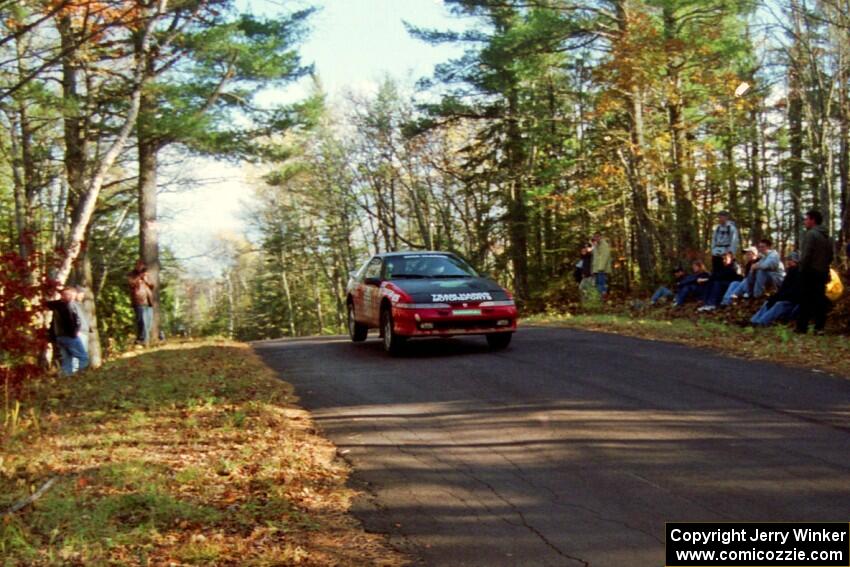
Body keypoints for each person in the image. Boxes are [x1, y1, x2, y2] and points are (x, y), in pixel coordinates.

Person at [795, 209, 834, 334]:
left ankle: (802, 327)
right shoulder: (827, 236)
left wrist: (801, 269)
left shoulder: (811, 234)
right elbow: (830, 256)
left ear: (813, 220)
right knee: (819, 300)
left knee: (805, 300)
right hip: (822, 272)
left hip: (810, 272)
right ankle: (819, 328)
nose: (805, 222)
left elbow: (806, 255)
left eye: (806, 219)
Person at [46, 286, 90, 376]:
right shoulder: (66, 306)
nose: (72, 297)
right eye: (69, 295)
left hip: (60, 336)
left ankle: (66, 377)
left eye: (73, 295)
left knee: (67, 358)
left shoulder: (59, 306)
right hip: (68, 336)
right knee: (83, 357)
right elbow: (70, 321)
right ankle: (79, 376)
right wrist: (74, 333)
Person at [751, 252, 801, 327]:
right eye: (788, 260)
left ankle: (762, 323)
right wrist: (775, 297)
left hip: (792, 302)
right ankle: (753, 321)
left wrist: (780, 298)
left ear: (796, 261)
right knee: (768, 302)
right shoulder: (790, 272)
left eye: (790, 260)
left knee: (779, 305)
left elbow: (795, 292)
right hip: (784, 298)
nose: (788, 262)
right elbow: (783, 289)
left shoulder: (799, 273)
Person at [128, 260, 155, 345]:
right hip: (138, 300)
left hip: (148, 300)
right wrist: (139, 277)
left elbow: (152, 285)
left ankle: (146, 340)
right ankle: (141, 340)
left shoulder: (146, 274)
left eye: (142, 266)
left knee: (149, 321)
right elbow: (131, 284)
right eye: (138, 266)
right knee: (141, 321)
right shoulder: (132, 275)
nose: (140, 267)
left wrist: (146, 280)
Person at [590, 232, 612, 298]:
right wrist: (594, 269)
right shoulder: (596, 245)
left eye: (597, 237)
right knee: (598, 284)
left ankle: (601, 298)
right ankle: (599, 298)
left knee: (601, 283)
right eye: (595, 237)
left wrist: (601, 268)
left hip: (601, 269)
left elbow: (605, 256)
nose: (596, 238)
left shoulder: (604, 245)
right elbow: (595, 258)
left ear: (601, 237)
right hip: (597, 269)